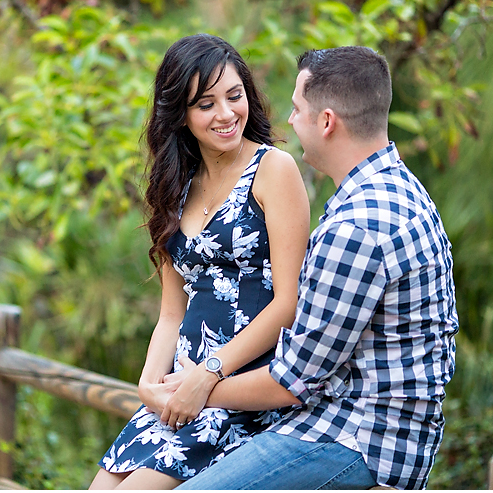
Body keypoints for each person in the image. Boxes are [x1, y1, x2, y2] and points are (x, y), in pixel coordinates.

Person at [172, 46, 459, 490]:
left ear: (326, 122)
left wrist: (191, 387)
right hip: (364, 431)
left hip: (358, 440)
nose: (288, 121)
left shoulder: (357, 226)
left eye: (297, 108)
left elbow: (292, 381)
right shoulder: (396, 189)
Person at [89, 34, 310, 489]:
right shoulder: (176, 185)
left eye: (234, 96)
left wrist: (209, 375)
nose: (227, 114)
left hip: (240, 395)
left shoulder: (274, 169)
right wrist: (149, 384)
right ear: (181, 115)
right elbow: (172, 312)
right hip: (179, 396)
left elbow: (287, 304)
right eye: (206, 104)